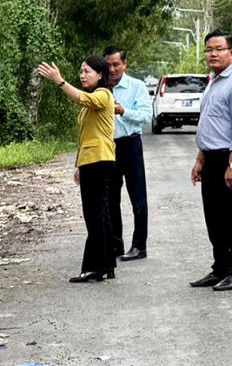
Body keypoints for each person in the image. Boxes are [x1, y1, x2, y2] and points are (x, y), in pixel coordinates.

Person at [36, 56, 119, 283]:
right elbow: (85, 137)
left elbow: (81, 98)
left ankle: (96, 267)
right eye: (80, 71)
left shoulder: (103, 94)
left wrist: (60, 82)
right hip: (91, 160)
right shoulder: (94, 98)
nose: (82, 75)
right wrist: (78, 165)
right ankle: (106, 264)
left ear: (100, 75)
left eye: (87, 71)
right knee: (99, 214)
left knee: (95, 215)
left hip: (100, 160)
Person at [190, 30, 232, 292]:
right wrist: (200, 160)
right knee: (213, 218)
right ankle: (220, 269)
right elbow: (210, 124)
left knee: (230, 219)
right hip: (211, 158)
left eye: (218, 49)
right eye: (208, 50)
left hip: (229, 159)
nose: (213, 54)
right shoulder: (214, 81)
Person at [103, 45, 152, 261]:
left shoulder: (136, 86)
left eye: (116, 64)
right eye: (108, 65)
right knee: (111, 199)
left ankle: (139, 246)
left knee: (137, 197)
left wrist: (124, 111)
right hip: (108, 147)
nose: (112, 69)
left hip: (131, 145)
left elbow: (146, 116)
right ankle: (115, 245)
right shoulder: (100, 87)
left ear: (125, 65)